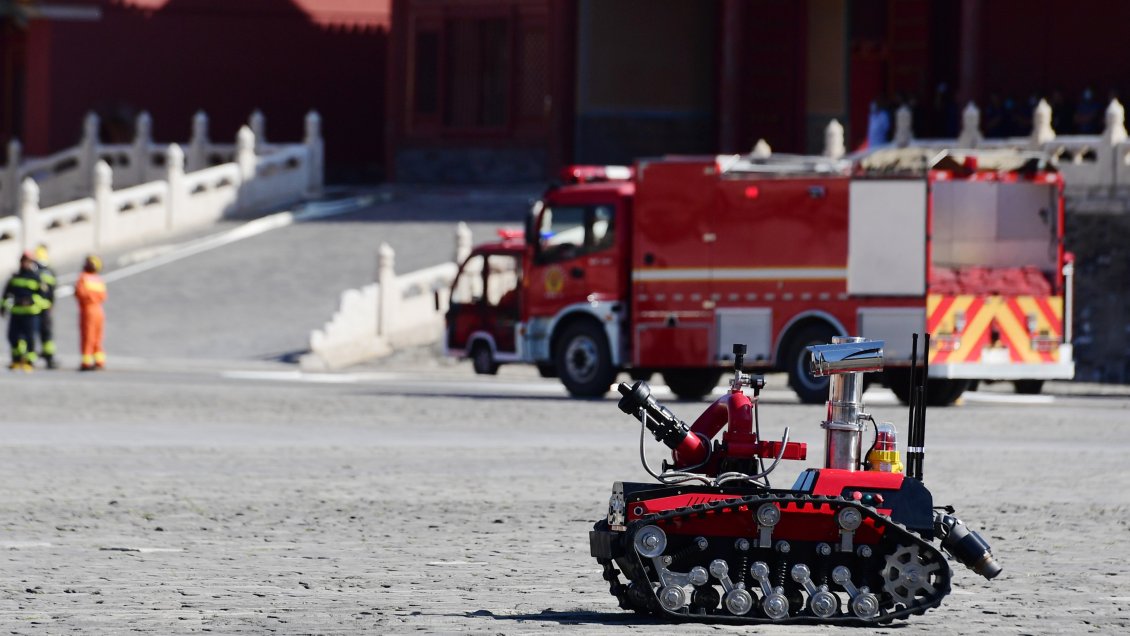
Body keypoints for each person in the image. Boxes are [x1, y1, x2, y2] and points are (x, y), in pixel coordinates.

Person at [1, 252, 47, 371]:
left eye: (28, 261)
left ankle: (29, 361)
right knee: (13, 337)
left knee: (29, 338)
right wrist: (3, 308)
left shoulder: (36, 278)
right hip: (16, 313)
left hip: (30, 314)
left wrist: (31, 300)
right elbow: (6, 295)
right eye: (23, 261)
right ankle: (16, 359)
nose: (25, 263)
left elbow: (43, 297)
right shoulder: (15, 277)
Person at [74, 254, 107, 371]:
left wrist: (88, 299)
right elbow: (103, 296)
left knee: (88, 336)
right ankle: (99, 360)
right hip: (99, 310)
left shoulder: (83, 277)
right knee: (98, 337)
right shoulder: (98, 279)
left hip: (88, 310)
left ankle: (86, 362)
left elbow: (79, 293)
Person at [33, 244, 58, 369]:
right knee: (47, 334)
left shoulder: (34, 272)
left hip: (34, 309)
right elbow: (53, 292)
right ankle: (49, 358)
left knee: (32, 333)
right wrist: (51, 305)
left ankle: (30, 358)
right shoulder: (50, 271)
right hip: (46, 308)